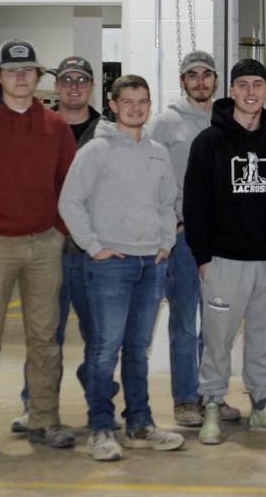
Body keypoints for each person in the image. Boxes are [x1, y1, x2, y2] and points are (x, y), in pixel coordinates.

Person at [0, 40, 77, 457]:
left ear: (37, 76)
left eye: (27, 71)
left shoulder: (55, 126)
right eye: (11, 71)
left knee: (45, 339)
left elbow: (68, 183)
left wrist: (58, 230)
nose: (20, 77)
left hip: (44, 244)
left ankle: (44, 419)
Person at [59, 74, 184, 461]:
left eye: (143, 101)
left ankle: (140, 423)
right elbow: (70, 203)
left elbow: (167, 204)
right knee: (104, 349)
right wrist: (94, 248)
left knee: (137, 349)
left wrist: (166, 243)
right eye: (128, 101)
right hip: (110, 266)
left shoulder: (158, 153)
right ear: (113, 105)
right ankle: (100, 427)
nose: (136, 108)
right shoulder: (96, 151)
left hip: (151, 264)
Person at [182, 58, 266, 444]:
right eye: (243, 85)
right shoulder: (209, 142)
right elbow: (195, 204)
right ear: (231, 91)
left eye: (257, 84)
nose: (251, 92)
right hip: (224, 263)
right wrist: (203, 258)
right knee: (217, 341)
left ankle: (263, 406)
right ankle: (213, 405)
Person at [11, 55, 107, 433]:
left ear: (91, 86)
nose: (73, 86)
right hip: (46, 249)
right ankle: (33, 406)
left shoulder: (107, 131)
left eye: (81, 80)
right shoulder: (39, 128)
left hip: (92, 252)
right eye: (66, 80)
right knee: (43, 335)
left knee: (98, 337)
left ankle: (99, 408)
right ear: (56, 86)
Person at [151, 50, 241, 428]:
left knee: (217, 323)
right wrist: (169, 220)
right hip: (185, 240)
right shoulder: (165, 124)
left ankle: (211, 397)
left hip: (223, 241)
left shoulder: (229, 122)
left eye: (207, 74)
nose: (200, 81)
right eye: (193, 75)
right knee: (185, 322)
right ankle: (186, 400)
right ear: (183, 80)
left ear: (216, 80)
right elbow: (151, 175)